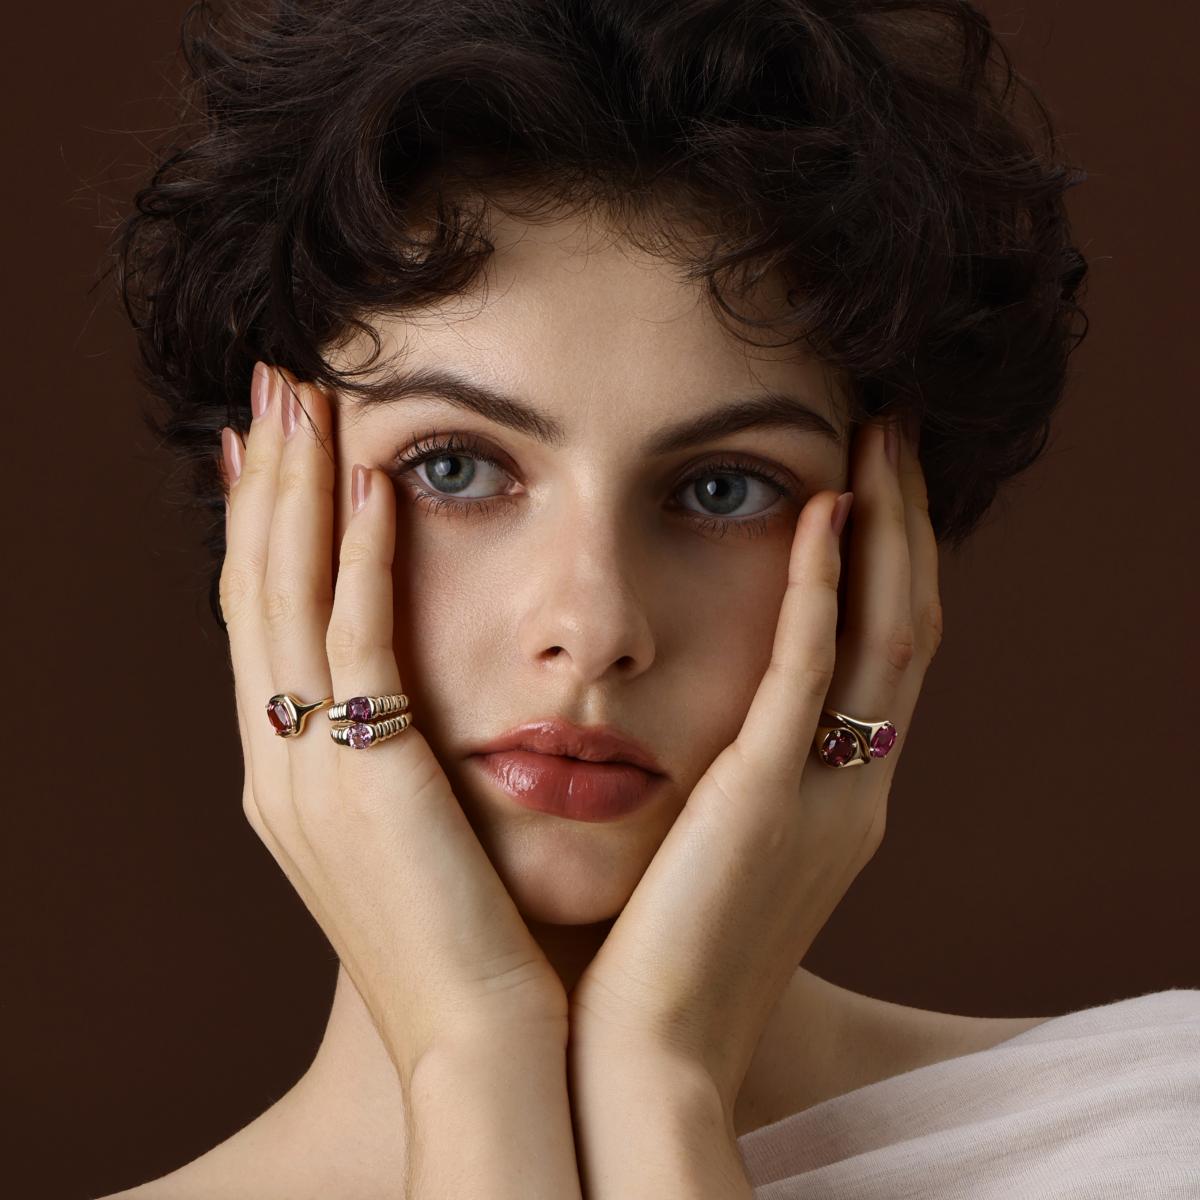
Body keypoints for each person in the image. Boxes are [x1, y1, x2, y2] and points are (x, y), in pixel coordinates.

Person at [102, 0, 1198, 1196]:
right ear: (263, 497)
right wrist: (475, 1054)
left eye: (725, 489)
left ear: (893, 562)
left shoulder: (1153, 1134)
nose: (594, 627)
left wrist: (661, 1087)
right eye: (454, 467)